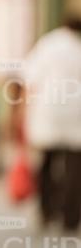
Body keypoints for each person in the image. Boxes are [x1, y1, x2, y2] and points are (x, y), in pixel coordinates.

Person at [24, 16, 81, 232]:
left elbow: (30, 78)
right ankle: (71, 217)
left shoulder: (48, 44)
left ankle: (46, 211)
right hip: (76, 112)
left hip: (48, 111)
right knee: (75, 166)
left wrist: (22, 113)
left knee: (47, 162)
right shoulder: (78, 48)